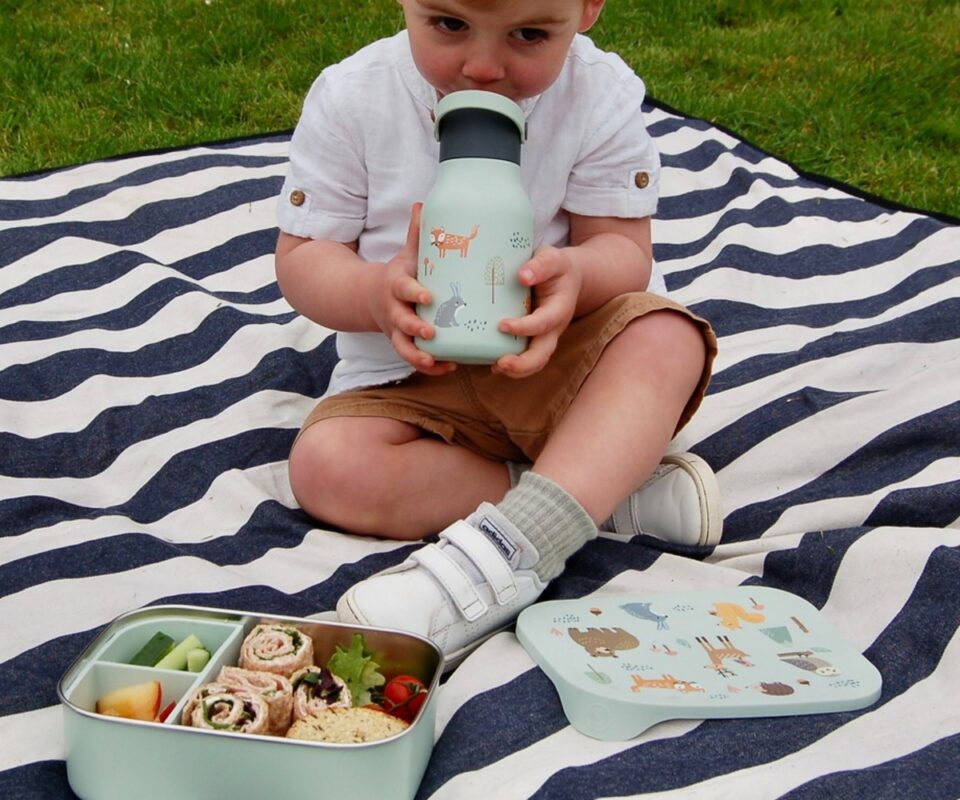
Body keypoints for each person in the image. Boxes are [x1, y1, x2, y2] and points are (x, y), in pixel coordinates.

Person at [275, 0, 722, 667]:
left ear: (587, 8)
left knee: (668, 338)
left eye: (529, 35)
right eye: (450, 25)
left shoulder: (596, 96)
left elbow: (624, 250)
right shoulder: (354, 98)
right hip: (410, 387)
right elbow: (304, 258)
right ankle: (593, 497)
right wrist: (372, 294)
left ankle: (505, 554)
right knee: (326, 467)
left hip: (555, 366)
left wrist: (576, 276)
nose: (484, 67)